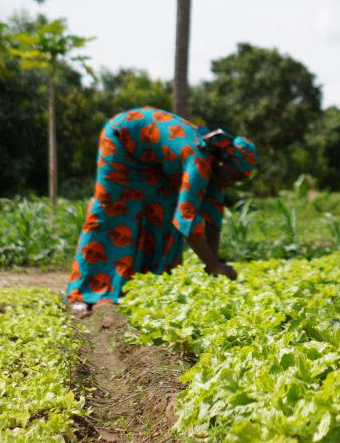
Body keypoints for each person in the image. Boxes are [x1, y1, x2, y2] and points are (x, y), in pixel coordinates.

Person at [66, 107, 258, 317]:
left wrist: (215, 266)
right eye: (233, 176)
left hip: (152, 159)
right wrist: (213, 264)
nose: (231, 183)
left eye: (238, 181)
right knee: (112, 210)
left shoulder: (217, 170)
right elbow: (186, 222)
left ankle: (144, 285)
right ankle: (82, 293)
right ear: (223, 163)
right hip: (122, 140)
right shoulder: (199, 161)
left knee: (162, 211)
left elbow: (213, 217)